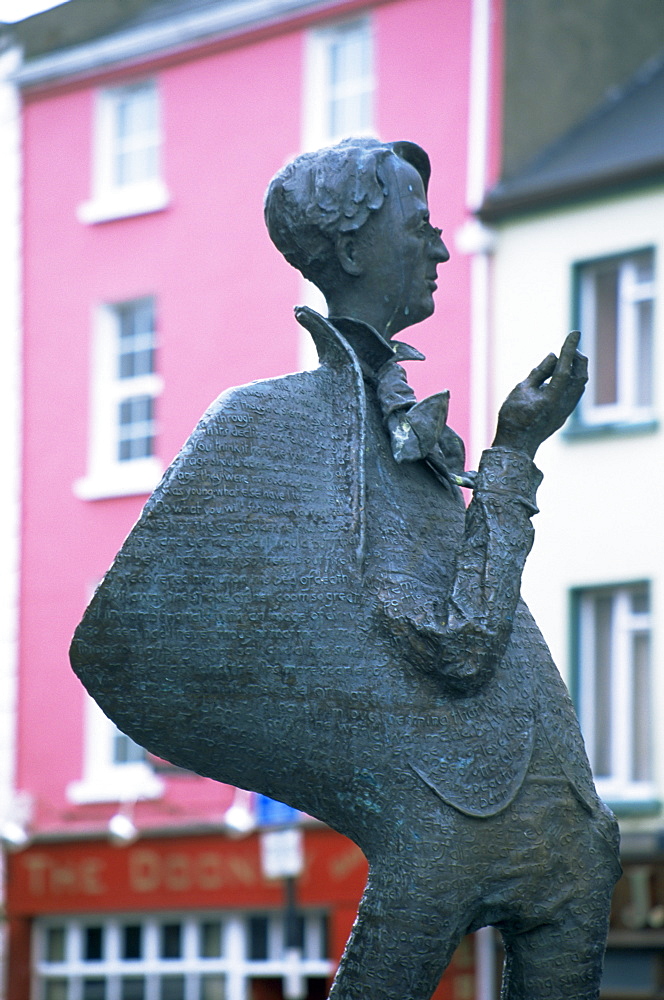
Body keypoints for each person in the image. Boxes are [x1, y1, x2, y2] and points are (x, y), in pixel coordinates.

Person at [71, 138, 621, 1000]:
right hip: (462, 817)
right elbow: (462, 644)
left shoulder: (393, 432)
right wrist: (512, 453)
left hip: (552, 819)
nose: (441, 248)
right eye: (421, 227)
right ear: (357, 249)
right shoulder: (289, 427)